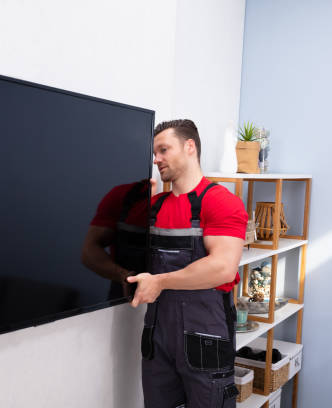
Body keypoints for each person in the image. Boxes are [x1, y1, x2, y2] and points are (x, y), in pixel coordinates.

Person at [82, 119, 247, 407]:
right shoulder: (153, 206)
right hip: (158, 339)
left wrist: (159, 282)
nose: (156, 159)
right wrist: (125, 275)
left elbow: (222, 267)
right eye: (154, 152)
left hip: (205, 337)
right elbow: (93, 251)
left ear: (189, 147)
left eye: (163, 150)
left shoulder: (221, 202)